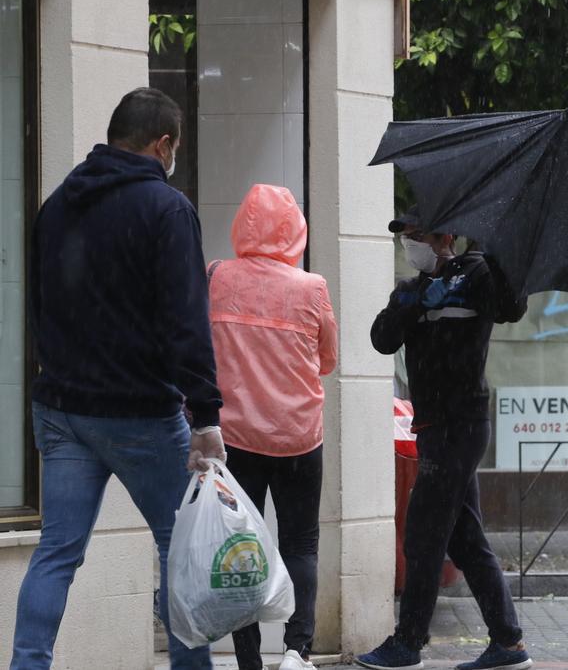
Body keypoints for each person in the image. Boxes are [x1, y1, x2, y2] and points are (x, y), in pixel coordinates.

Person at [14, 87, 224, 670]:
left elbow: (38, 308)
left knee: (55, 552)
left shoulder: (55, 205)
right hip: (139, 414)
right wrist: (206, 415)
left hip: (61, 408)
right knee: (178, 547)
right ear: (162, 145)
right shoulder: (167, 209)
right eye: (174, 147)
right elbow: (187, 322)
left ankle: (27, 664)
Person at [357, 210, 531, 670]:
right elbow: (381, 338)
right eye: (406, 236)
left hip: (461, 423)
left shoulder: (477, 272)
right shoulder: (411, 289)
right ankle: (508, 642)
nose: (410, 243)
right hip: (434, 426)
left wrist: (496, 253)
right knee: (465, 538)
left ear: (445, 236)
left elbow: (512, 307)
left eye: (418, 234)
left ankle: (408, 642)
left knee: (423, 534)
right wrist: (416, 302)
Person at [207, 184, 338, 670]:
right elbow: (327, 360)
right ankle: (296, 651)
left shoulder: (216, 276)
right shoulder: (312, 287)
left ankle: (247, 659)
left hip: (235, 439)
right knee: (300, 542)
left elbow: (199, 349)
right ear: (295, 232)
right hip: (300, 437)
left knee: (238, 546)